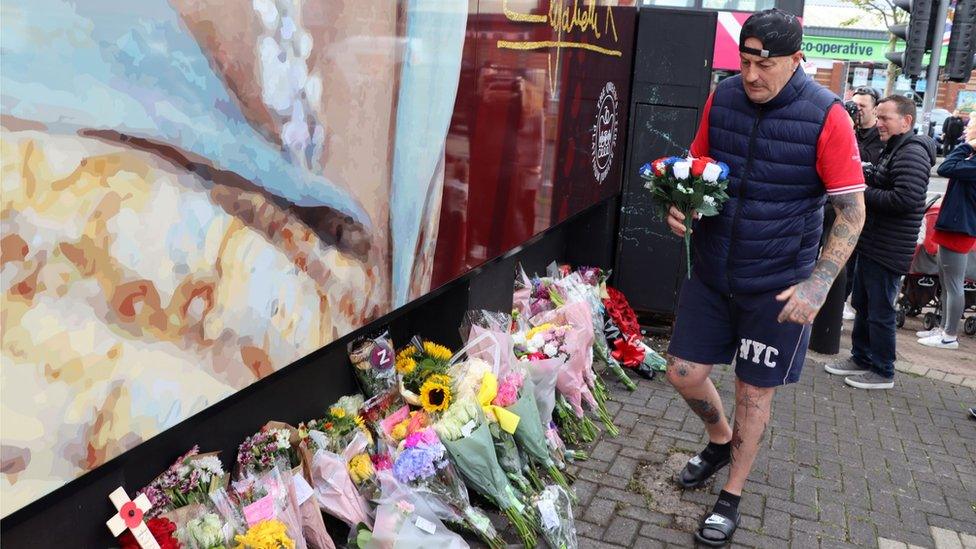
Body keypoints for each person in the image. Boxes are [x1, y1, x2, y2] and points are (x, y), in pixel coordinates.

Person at [665, 9, 866, 546]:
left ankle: (730, 493)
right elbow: (697, 165)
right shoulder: (723, 96)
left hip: (778, 286)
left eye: (766, 64)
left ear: (797, 60)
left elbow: (852, 213)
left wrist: (817, 286)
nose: (752, 75)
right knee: (683, 373)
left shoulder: (828, 116)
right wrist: (680, 205)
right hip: (712, 272)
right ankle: (718, 438)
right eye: (746, 61)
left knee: (754, 394)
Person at [825, 95, 935, 389]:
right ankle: (861, 357)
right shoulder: (895, 148)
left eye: (885, 118)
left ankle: (883, 370)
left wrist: (861, 193)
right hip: (875, 242)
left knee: (881, 310)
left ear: (906, 121)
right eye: (879, 116)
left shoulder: (911, 152)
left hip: (888, 246)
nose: (879, 124)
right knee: (863, 302)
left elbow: (906, 199)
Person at [917, 116, 976, 349]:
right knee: (945, 280)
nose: (966, 128)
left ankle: (950, 335)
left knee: (953, 284)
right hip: (953, 225)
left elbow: (945, 167)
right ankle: (943, 328)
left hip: (959, 228)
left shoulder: (972, 162)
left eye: (971, 125)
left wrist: (967, 145)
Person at [851, 87, 884, 165]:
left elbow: (866, 159)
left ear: (875, 109)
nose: (857, 109)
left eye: (862, 106)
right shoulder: (851, 128)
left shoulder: (881, 133)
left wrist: (849, 132)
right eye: (854, 105)